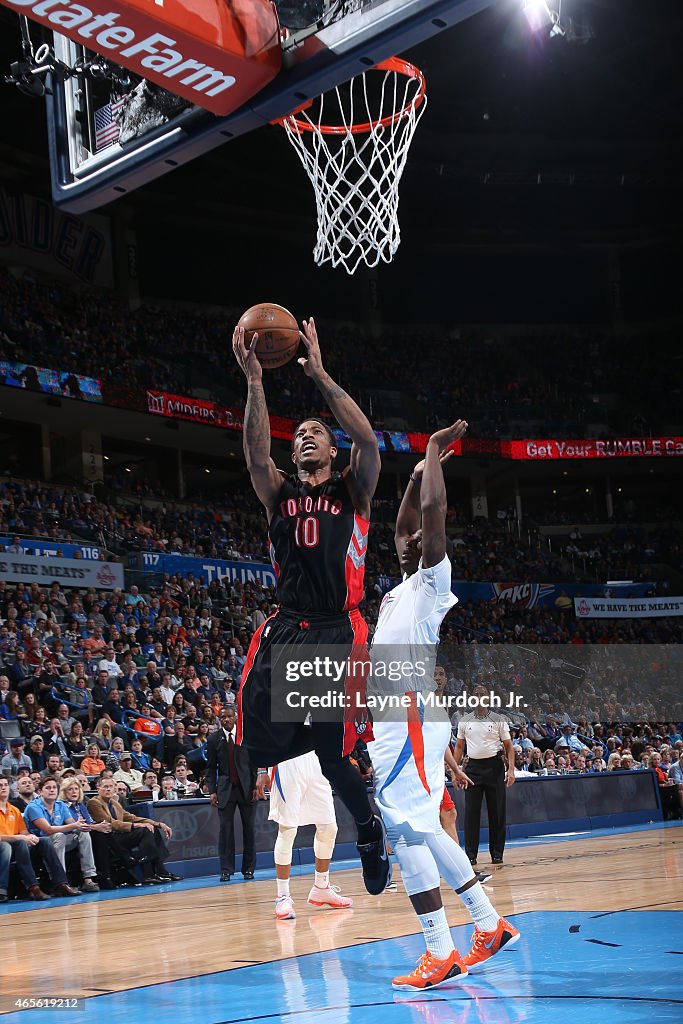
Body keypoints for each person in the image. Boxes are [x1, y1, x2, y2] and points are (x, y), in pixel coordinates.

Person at [232, 316, 389, 895]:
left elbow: (369, 440)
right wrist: (254, 381)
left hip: (336, 628)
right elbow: (253, 457)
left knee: (328, 754)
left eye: (315, 432)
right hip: (286, 627)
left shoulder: (354, 488)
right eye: (297, 432)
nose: (304, 436)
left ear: (330, 448)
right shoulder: (280, 494)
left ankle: (368, 829)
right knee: (254, 741)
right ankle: (333, 745)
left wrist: (321, 377)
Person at [367, 421, 519, 990]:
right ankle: (488, 924)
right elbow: (405, 520)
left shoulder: (433, 582)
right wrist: (410, 476)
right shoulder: (397, 588)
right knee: (426, 827)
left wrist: (431, 455)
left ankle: (439, 950)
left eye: (417, 540)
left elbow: (429, 515)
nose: (407, 540)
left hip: (406, 718)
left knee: (404, 830)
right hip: (407, 718)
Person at [257, 748, 353, 920]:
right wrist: (262, 768)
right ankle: (283, 896)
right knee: (288, 829)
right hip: (285, 758)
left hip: (316, 756)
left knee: (329, 827)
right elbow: (256, 724)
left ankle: (321, 887)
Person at [454, 684, 515, 867]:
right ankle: (470, 855)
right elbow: (459, 746)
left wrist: (510, 770)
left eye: (483, 694)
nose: (479, 696)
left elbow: (509, 746)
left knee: (497, 812)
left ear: (488, 698)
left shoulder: (498, 719)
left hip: (494, 767)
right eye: (476, 694)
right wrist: (456, 770)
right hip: (473, 769)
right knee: (471, 813)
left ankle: (497, 853)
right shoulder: (465, 720)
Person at [87, 777, 181, 886]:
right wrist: (136, 825)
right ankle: (150, 873)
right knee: (145, 830)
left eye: (111, 787)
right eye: (105, 787)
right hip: (109, 839)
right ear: (98, 789)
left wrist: (158, 824)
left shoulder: (115, 803)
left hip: (120, 836)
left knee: (152, 829)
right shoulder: (94, 803)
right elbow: (111, 823)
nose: (108, 789)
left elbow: (132, 817)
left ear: (115, 789)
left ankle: (160, 871)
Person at [205, 707, 257, 881]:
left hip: (247, 788)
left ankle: (249, 869)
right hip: (225, 789)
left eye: (229, 716)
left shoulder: (247, 735)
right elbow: (211, 768)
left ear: (235, 717)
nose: (226, 720)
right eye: (222, 717)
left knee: (249, 829)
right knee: (225, 831)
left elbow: (255, 762)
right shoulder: (213, 739)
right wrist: (212, 790)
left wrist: (256, 785)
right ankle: (226, 869)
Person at [23, 777, 98, 892]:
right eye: (48, 788)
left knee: (82, 834)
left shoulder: (60, 805)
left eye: (54, 788)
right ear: (40, 791)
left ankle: (88, 878)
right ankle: (61, 882)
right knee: (59, 836)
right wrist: (73, 826)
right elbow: (47, 830)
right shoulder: (34, 807)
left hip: (56, 841)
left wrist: (92, 827)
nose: (52, 790)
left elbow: (73, 825)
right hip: (37, 845)